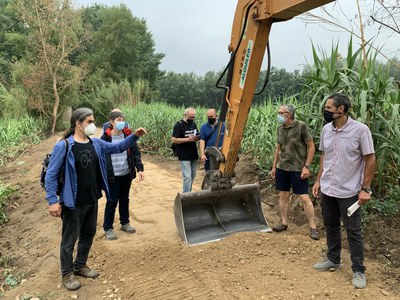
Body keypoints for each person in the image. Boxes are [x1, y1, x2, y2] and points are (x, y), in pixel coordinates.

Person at [45, 108, 146, 291]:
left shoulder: (96, 143)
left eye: (93, 121)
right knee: (69, 240)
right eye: (89, 122)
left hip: (92, 198)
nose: (93, 125)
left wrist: (135, 136)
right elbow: (50, 175)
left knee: (88, 235)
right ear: (78, 123)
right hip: (72, 202)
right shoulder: (65, 146)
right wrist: (52, 200)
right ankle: (67, 274)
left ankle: (80, 265)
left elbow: (118, 147)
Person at [312, 93, 375, 289]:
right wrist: (318, 180)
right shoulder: (326, 130)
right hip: (328, 188)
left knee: (353, 231)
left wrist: (365, 189)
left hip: (349, 191)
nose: (326, 111)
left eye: (329, 108)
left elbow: (370, 158)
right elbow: (324, 156)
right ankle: (333, 259)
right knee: (330, 226)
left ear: (341, 110)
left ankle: (358, 270)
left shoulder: (360, 130)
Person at [270, 104, 319, 240]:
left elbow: (311, 146)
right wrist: (274, 166)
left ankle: (313, 227)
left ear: (290, 114)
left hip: (298, 168)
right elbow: (278, 148)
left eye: (281, 112)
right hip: (282, 168)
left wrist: (307, 166)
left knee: (304, 197)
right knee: (283, 195)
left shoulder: (301, 126)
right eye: (278, 112)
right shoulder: (280, 129)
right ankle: (284, 222)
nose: (279, 115)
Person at [101, 110, 144, 240]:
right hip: (112, 175)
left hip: (126, 173)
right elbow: (101, 158)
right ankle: (108, 228)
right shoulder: (105, 138)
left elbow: (136, 153)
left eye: (122, 119)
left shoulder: (128, 136)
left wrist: (139, 168)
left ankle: (124, 222)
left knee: (124, 199)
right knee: (112, 201)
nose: (121, 122)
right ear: (111, 122)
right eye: (118, 120)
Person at [172, 107, 199, 193]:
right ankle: (186, 195)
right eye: (190, 117)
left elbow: (196, 135)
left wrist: (197, 137)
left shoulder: (193, 124)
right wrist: (187, 139)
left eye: (193, 117)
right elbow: (174, 139)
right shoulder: (179, 125)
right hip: (184, 154)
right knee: (187, 176)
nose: (192, 119)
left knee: (193, 176)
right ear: (185, 115)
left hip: (193, 153)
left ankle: (188, 193)